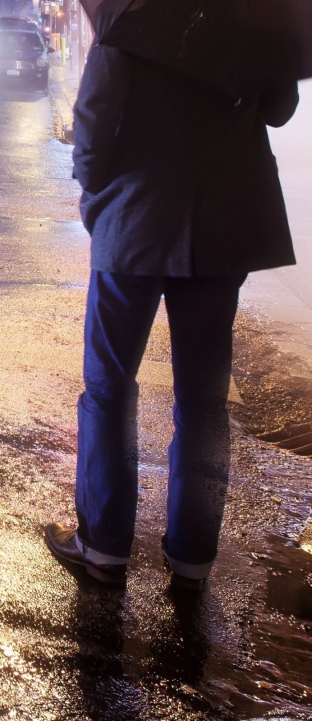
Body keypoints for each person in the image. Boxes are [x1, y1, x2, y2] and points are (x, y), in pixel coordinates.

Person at [45, 41, 298, 589]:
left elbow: (95, 117)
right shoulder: (254, 11)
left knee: (109, 385)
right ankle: (192, 557)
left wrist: (93, 190)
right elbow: (279, 108)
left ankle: (104, 545)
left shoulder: (134, 9)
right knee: (203, 400)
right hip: (221, 221)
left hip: (134, 217)